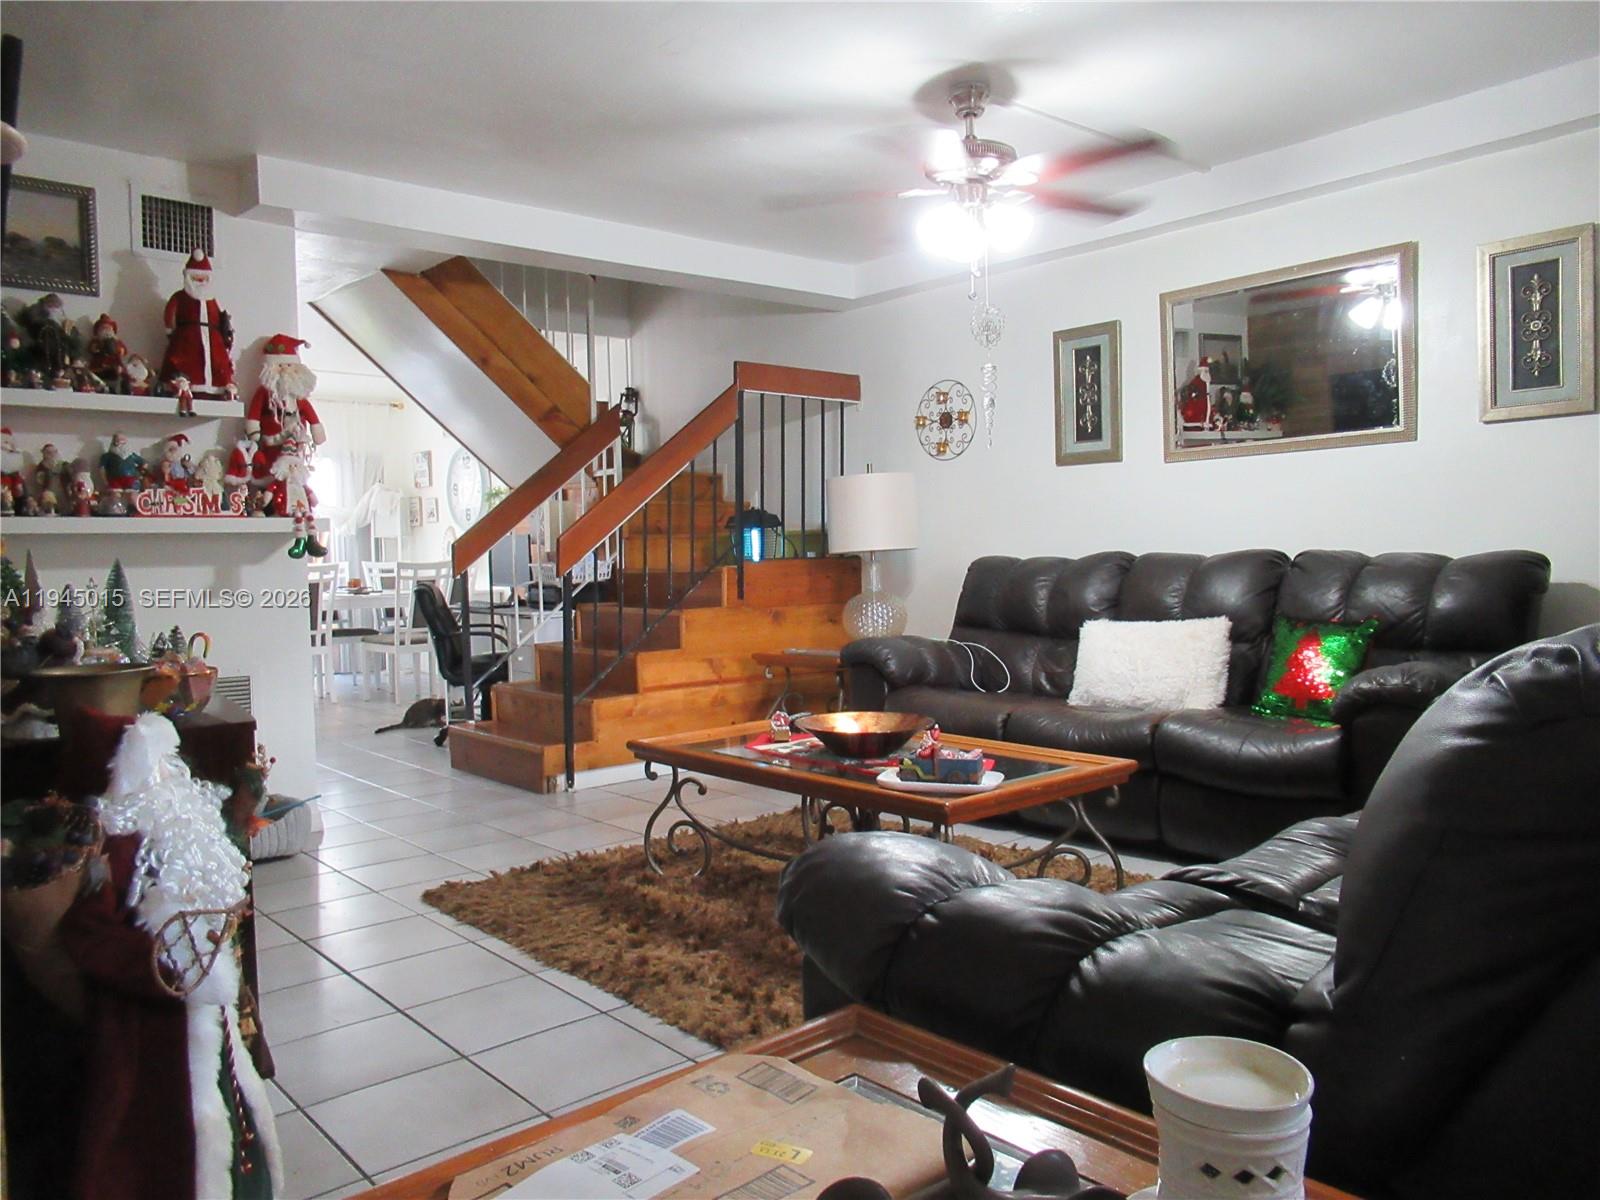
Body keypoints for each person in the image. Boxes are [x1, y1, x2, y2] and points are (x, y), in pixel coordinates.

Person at [160, 249, 236, 398]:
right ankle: (183, 386)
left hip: (213, 340)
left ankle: (219, 388)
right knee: (186, 362)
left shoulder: (212, 299)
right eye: (196, 277)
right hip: (187, 338)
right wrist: (170, 331)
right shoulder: (180, 296)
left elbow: (219, 317)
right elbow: (169, 313)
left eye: (204, 278)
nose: (200, 281)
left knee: (216, 362)